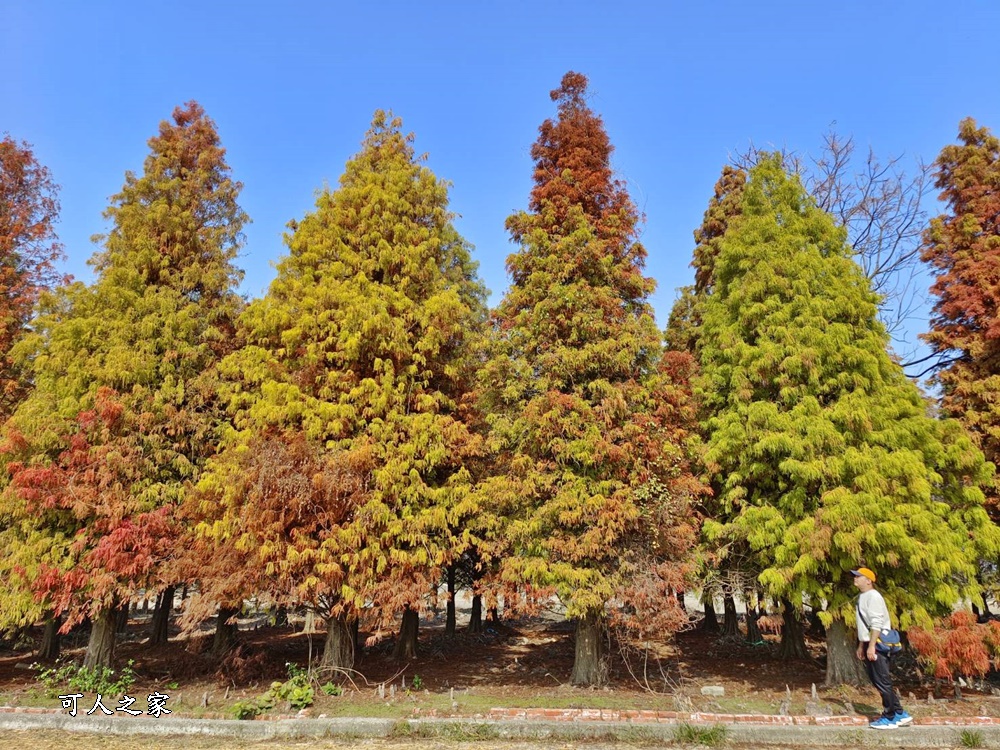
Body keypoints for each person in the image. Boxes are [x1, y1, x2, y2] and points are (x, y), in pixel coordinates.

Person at [853, 567, 912, 729]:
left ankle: (889, 716)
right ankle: (899, 713)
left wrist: (871, 646)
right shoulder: (862, 597)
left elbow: (877, 623)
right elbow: (863, 626)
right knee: (879, 680)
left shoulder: (874, 597)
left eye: (859, 576)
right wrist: (861, 645)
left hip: (878, 644)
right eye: (855, 576)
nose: (855, 578)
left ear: (868, 580)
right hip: (869, 643)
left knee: (882, 680)